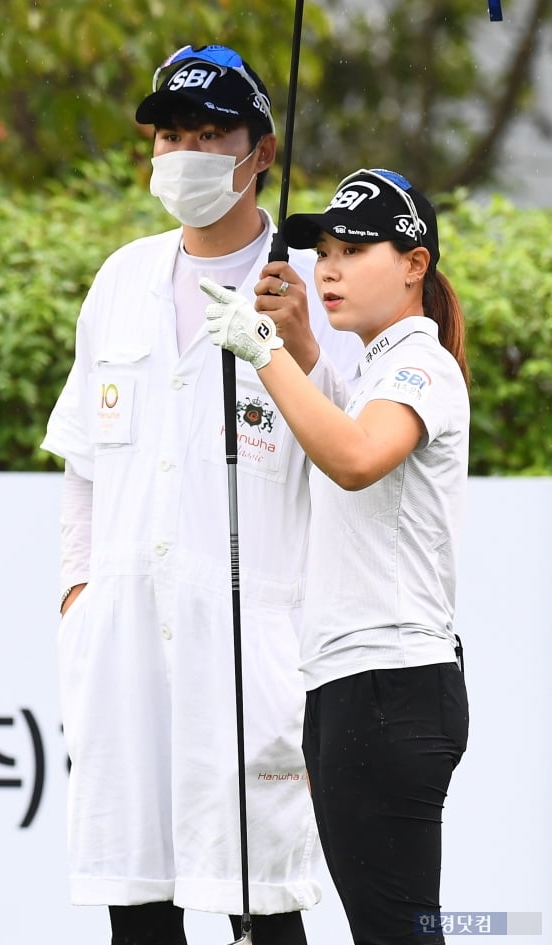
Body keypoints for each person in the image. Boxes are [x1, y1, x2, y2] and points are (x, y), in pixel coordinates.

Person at [41, 44, 362, 945]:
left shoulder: (311, 292)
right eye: (170, 134)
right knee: (137, 906)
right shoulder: (122, 280)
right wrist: (78, 600)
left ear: (260, 152)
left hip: (253, 642)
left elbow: (351, 456)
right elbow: (85, 473)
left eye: (210, 133)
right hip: (126, 640)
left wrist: (298, 347)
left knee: (263, 906)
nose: (184, 152)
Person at [200, 167, 470, 945]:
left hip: (390, 686)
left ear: (415, 263)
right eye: (325, 251)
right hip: (357, 689)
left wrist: (262, 351)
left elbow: (354, 455)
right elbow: (347, 421)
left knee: (397, 934)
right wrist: (302, 346)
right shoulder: (375, 367)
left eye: (354, 249)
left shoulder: (421, 364)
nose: (330, 268)